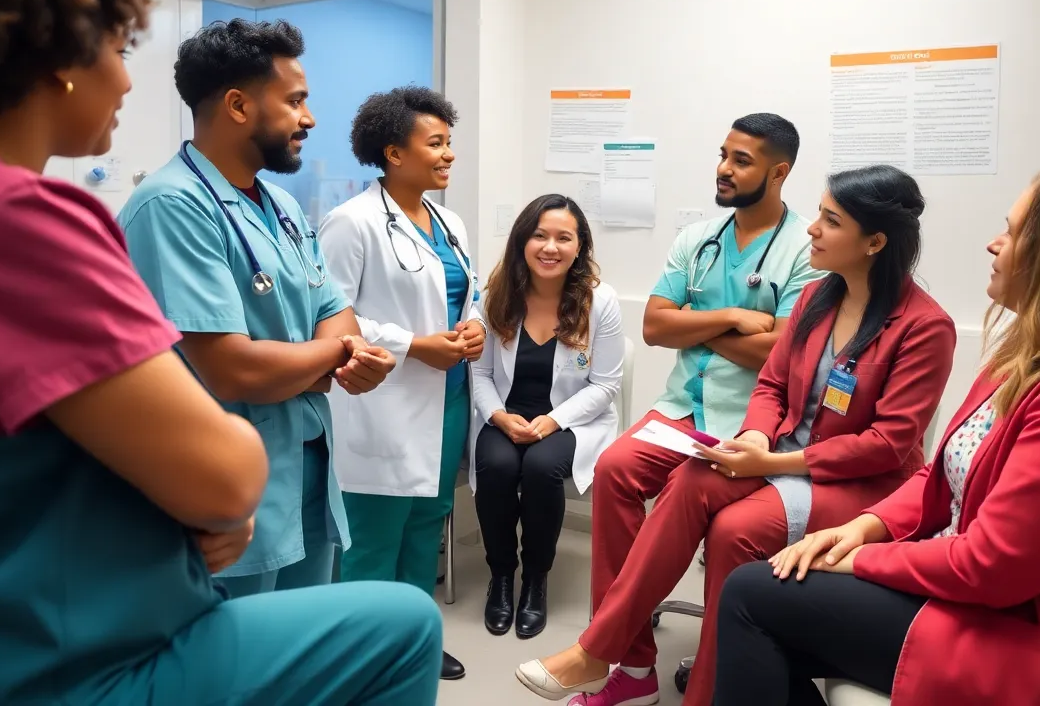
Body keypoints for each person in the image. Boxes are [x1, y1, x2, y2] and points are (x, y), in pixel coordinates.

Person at [0, 0, 441, 704]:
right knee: (403, 625)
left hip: (263, 479)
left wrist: (320, 348)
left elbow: (322, 310)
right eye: (118, 51)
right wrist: (328, 356)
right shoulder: (29, 216)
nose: (128, 84)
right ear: (57, 59)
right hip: (68, 637)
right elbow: (225, 432)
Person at [522, 166, 956, 704]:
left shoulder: (923, 326)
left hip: (860, 484)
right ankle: (616, 656)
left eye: (830, 220)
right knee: (692, 476)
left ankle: (658, 673)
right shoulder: (819, 297)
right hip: (783, 454)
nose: (813, 229)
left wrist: (771, 464)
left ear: (874, 242)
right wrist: (755, 439)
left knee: (733, 531)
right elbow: (772, 383)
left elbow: (888, 445)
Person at [717, 166, 1040, 706]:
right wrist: (867, 527)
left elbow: (991, 566)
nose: (993, 243)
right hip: (970, 587)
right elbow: (941, 473)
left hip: (1028, 635)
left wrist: (857, 560)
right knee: (750, 589)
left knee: (752, 595)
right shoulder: (1025, 359)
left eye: (1011, 233)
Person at [118, 18, 396, 597]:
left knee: (297, 658)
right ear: (239, 106)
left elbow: (334, 310)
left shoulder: (284, 206)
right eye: (295, 101)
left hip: (307, 463)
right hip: (223, 482)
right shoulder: (171, 205)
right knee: (232, 672)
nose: (310, 118)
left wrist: (333, 353)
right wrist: (339, 354)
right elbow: (233, 369)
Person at [317, 85, 485, 681]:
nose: (448, 155)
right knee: (373, 534)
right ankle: (362, 655)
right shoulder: (351, 222)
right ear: (393, 152)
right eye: (435, 143)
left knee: (426, 524)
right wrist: (414, 344)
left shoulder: (450, 220)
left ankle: (415, 641)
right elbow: (329, 312)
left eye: (449, 142)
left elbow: (468, 293)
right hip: (381, 400)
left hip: (446, 396)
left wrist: (470, 331)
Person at [473, 194, 625, 639]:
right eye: (539, 235)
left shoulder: (601, 302)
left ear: (580, 247)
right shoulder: (496, 296)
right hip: (505, 413)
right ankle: (501, 577)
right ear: (523, 240)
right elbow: (479, 373)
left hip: (573, 419)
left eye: (564, 237)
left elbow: (605, 384)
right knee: (497, 465)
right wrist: (498, 417)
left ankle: (536, 580)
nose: (550, 247)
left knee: (541, 469)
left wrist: (555, 420)